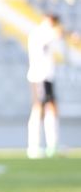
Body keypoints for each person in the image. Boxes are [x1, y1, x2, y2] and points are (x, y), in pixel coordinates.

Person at [26, 14, 64, 159]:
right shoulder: (39, 33)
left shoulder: (47, 34)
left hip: (48, 76)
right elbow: (56, 34)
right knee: (38, 108)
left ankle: (52, 144)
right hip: (38, 76)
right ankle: (34, 146)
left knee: (52, 108)